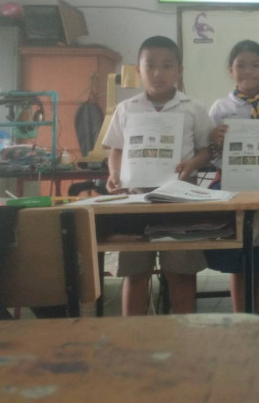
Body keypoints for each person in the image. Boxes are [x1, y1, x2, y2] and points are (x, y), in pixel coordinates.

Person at [103, 36, 213, 316]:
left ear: (179, 71)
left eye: (167, 65)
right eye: (150, 65)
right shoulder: (126, 109)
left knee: (181, 272)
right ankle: (135, 334)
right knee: (135, 272)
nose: (157, 73)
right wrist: (114, 174)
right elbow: (116, 149)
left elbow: (206, 151)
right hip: (134, 198)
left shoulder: (194, 108)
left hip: (179, 199)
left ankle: (184, 333)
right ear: (138, 70)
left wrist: (192, 163)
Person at [207, 39, 259, 313]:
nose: (248, 71)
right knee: (239, 259)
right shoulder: (220, 108)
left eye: (255, 65)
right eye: (241, 65)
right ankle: (240, 319)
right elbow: (210, 151)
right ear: (230, 70)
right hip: (233, 186)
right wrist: (215, 138)